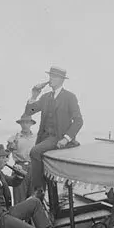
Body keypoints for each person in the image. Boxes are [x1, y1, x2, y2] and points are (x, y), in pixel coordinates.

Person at [22, 65, 83, 196]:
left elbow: (79, 121)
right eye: (50, 76)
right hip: (44, 138)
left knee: (34, 151)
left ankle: (39, 190)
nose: (50, 79)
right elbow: (29, 111)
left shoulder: (69, 97)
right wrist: (34, 95)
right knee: (36, 154)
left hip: (58, 137)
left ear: (62, 80)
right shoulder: (45, 97)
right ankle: (44, 190)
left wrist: (66, 139)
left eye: (54, 76)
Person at [6, 115, 36, 203]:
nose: (25, 125)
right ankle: (19, 216)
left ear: (31, 124)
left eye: (27, 123)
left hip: (33, 167)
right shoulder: (14, 138)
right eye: (23, 123)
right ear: (20, 124)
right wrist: (10, 147)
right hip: (19, 167)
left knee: (33, 196)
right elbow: (7, 153)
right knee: (19, 198)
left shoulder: (36, 137)